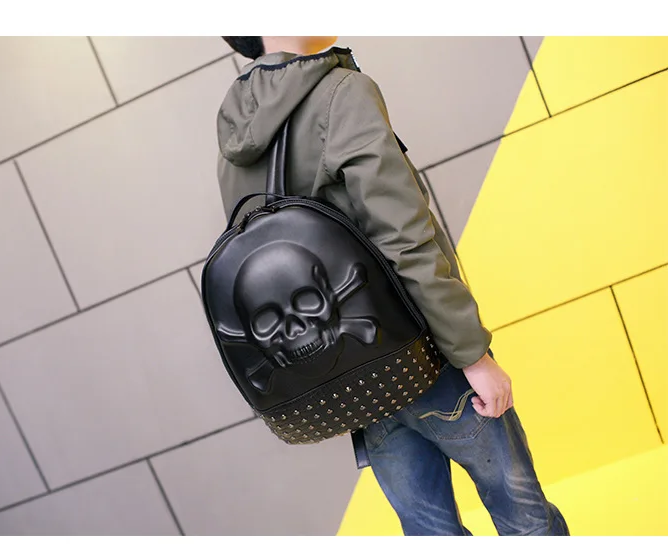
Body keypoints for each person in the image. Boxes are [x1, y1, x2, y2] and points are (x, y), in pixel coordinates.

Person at [215, 36, 569, 537]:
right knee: (525, 520)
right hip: (426, 357)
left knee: (427, 531)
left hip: (354, 387)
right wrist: (472, 355)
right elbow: (405, 239)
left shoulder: (234, 133)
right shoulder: (341, 93)